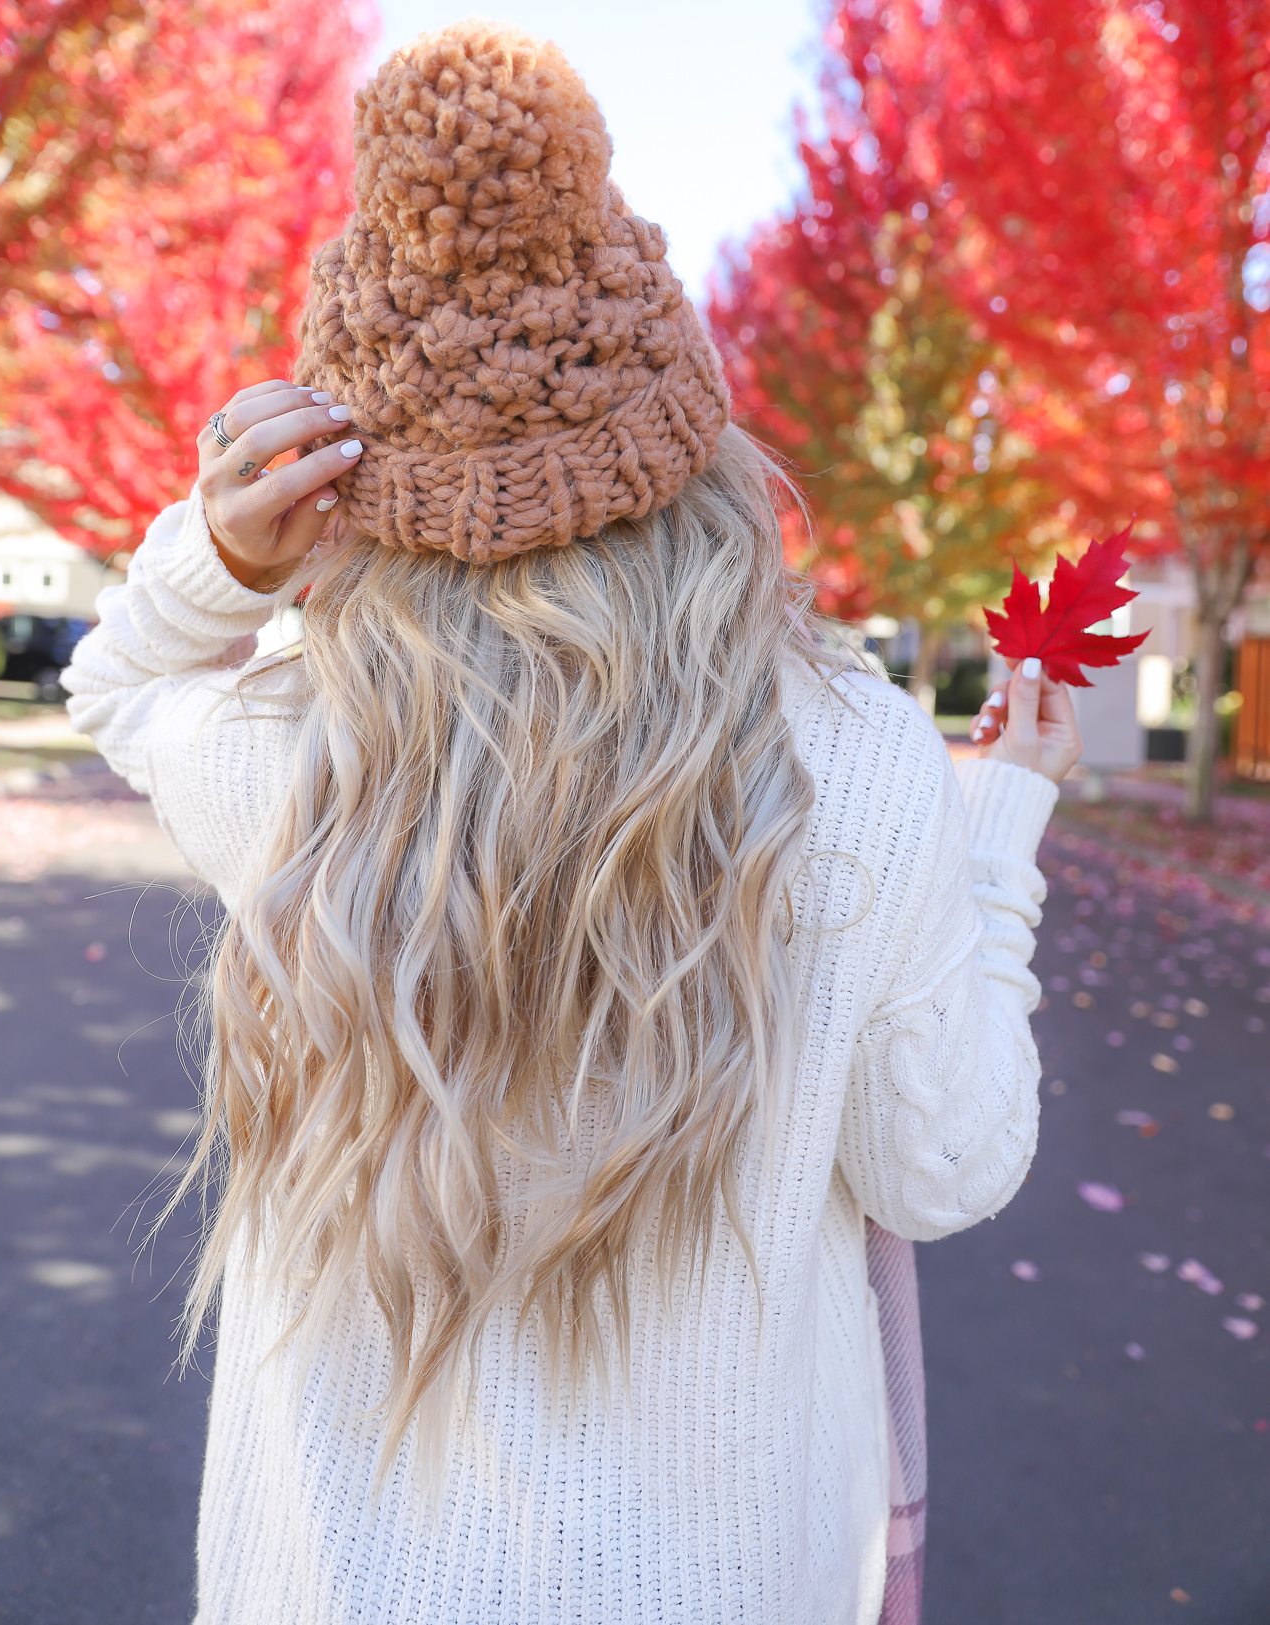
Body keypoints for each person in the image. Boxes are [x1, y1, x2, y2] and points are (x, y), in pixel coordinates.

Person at [62, 22, 1081, 1625]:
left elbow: (118, 687)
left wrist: (220, 556)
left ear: (353, 478)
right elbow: (940, 1158)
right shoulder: (859, 757)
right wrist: (1001, 828)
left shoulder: (304, 757)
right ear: (687, 431)